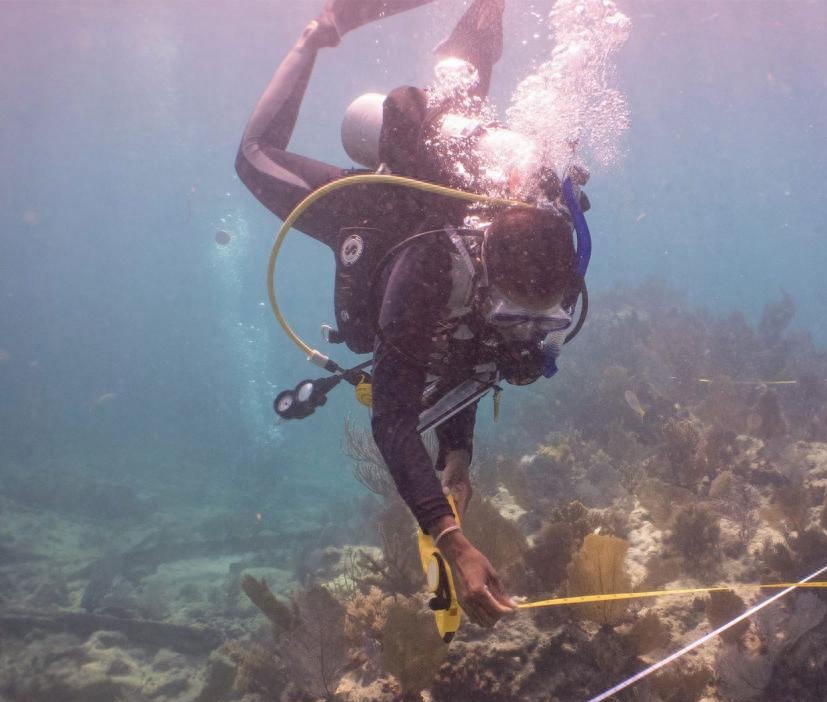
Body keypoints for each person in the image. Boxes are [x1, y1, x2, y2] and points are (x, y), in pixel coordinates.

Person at [236, 0, 587, 628]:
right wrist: (452, 539)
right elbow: (393, 421)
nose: (529, 325)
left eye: (544, 316)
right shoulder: (429, 267)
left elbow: (474, 346)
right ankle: (318, 32)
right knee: (255, 154)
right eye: (512, 309)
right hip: (384, 210)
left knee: (465, 78)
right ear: (482, 268)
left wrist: (459, 455)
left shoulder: (552, 263)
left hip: (467, 168)